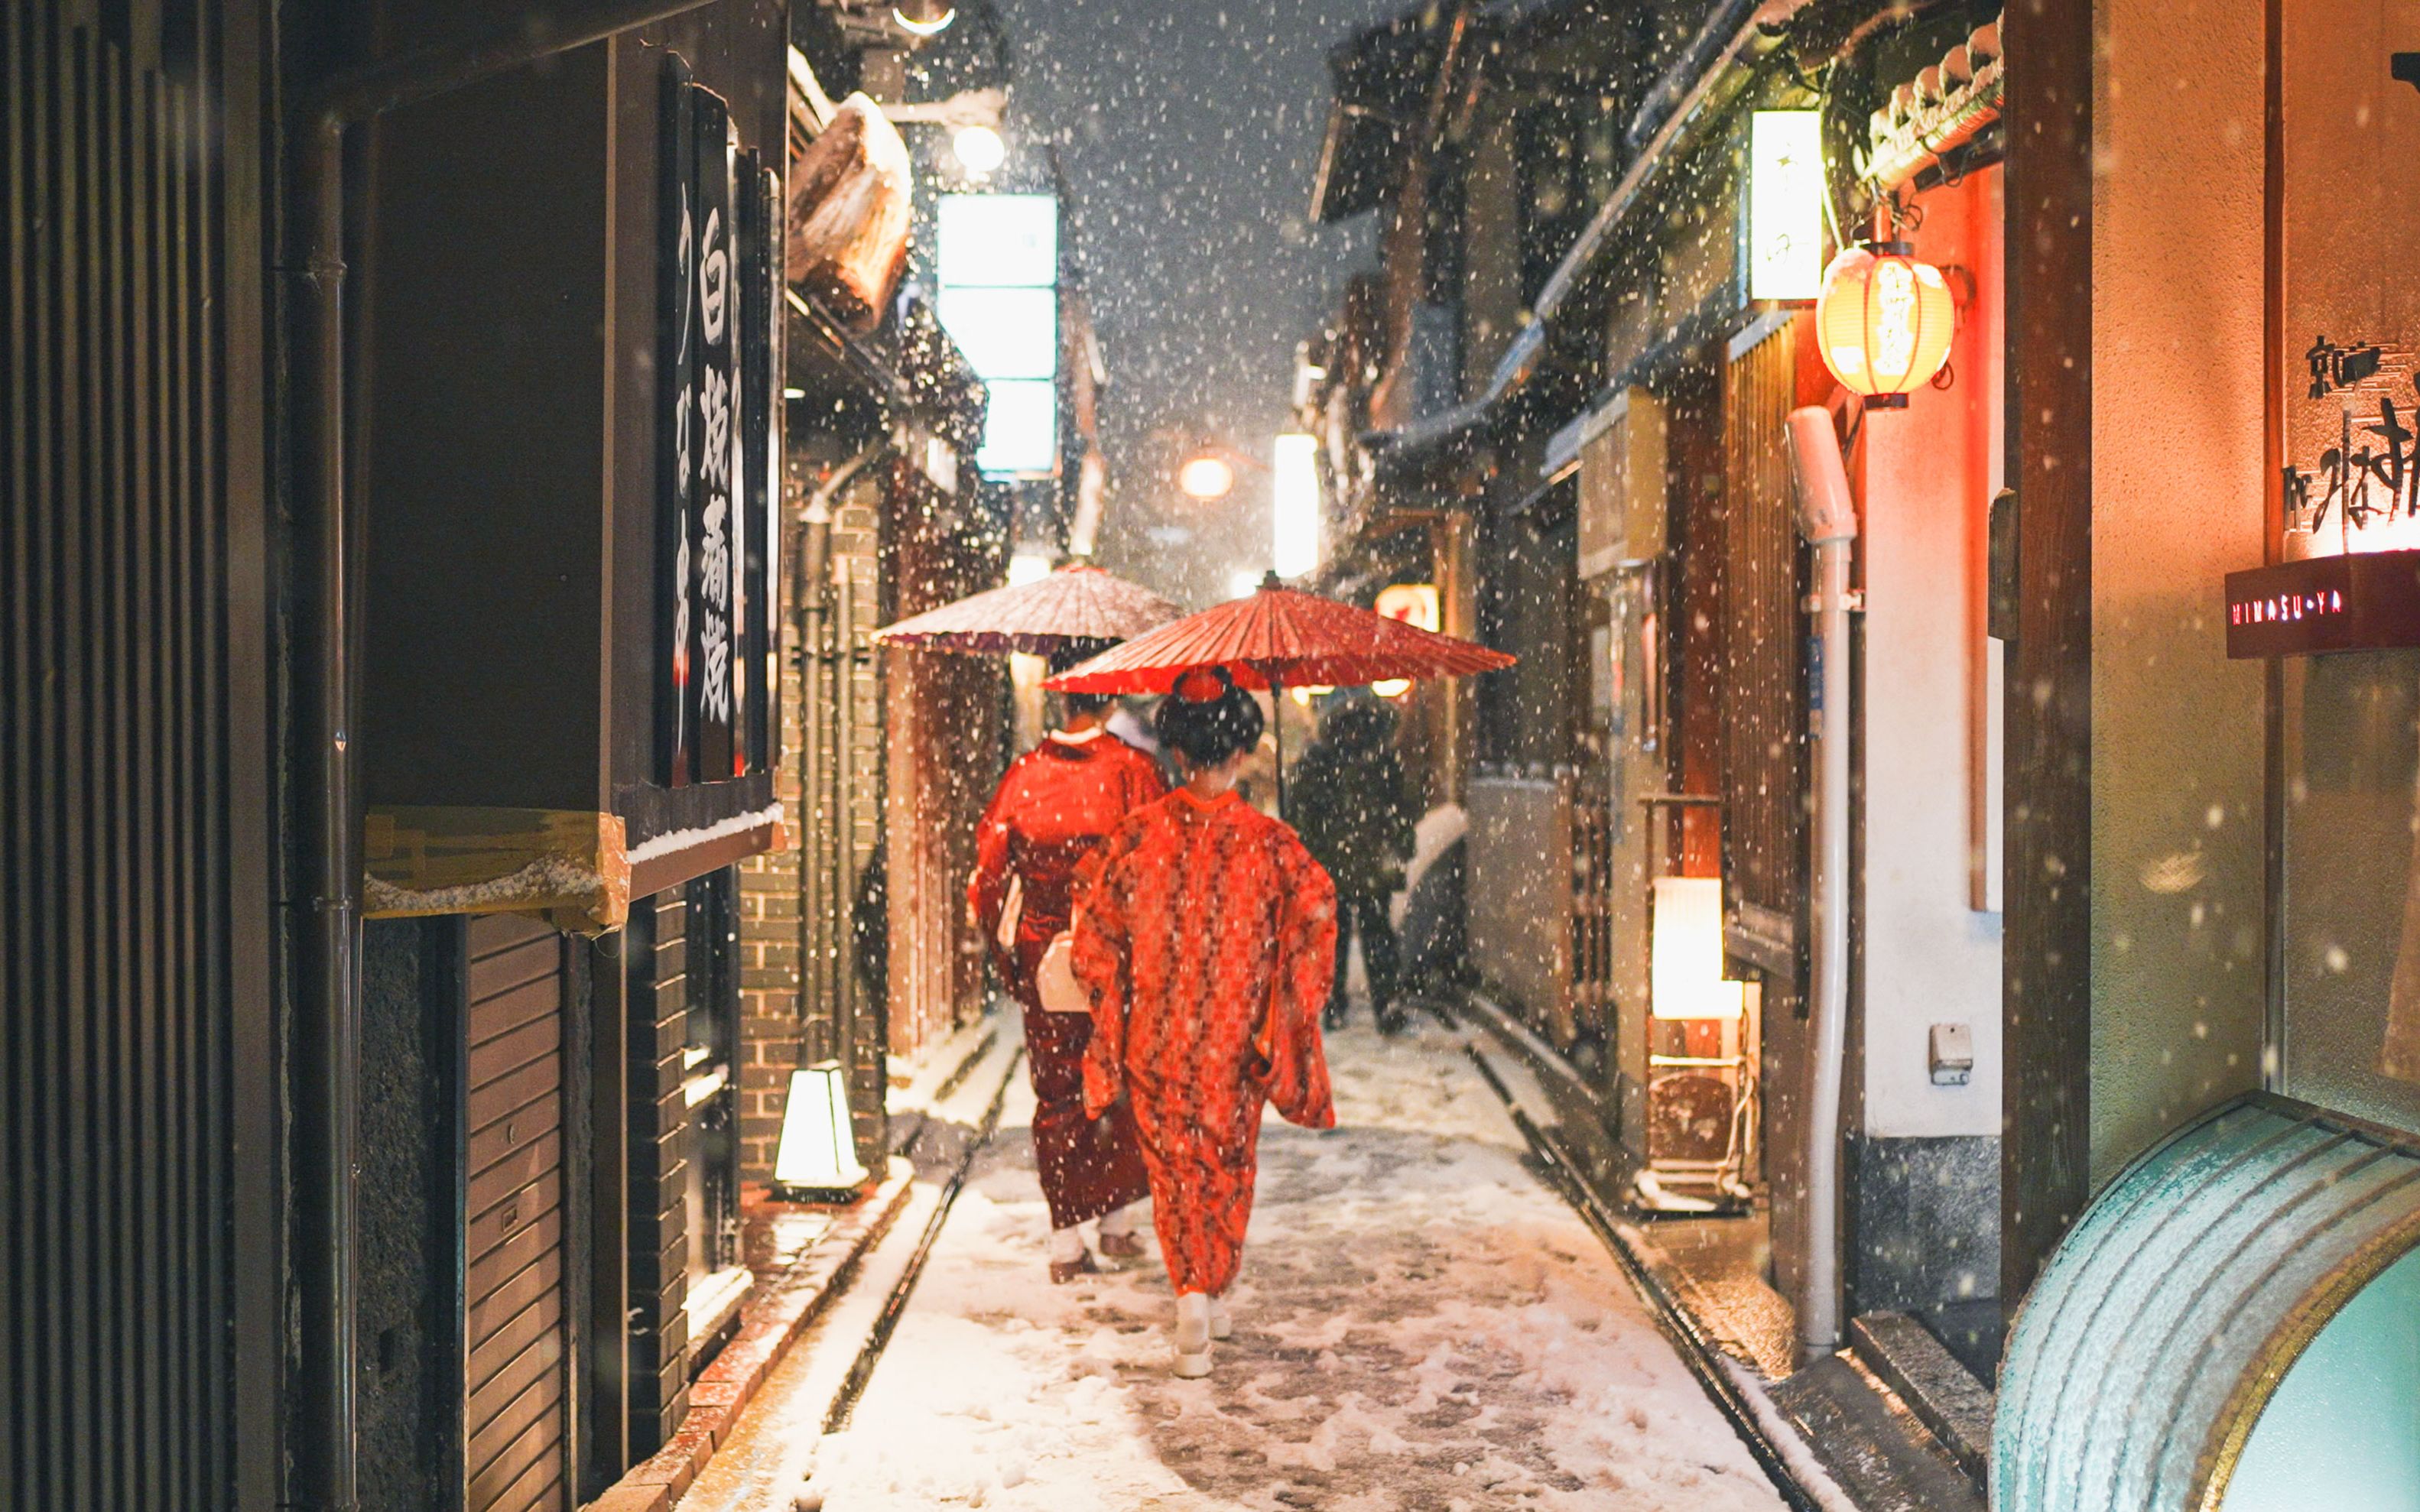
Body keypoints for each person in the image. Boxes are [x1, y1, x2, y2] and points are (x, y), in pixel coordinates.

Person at [1072, 665, 1338, 1377]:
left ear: (1176, 750)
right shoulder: (1273, 846)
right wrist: (1286, 1003)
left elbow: (1094, 931)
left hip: (1156, 1035)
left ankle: (1193, 1290)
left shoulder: (1134, 838)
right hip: (1236, 1033)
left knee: (1174, 1170)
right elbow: (1317, 915)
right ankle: (1210, 1284)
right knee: (1226, 1164)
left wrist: (1119, 999)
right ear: (1244, 749)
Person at [969, 646, 1164, 1283]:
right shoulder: (1133, 771)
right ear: (1108, 698)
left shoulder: (1024, 775)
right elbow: (1158, 866)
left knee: (1056, 1090)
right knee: (1120, 1081)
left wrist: (1010, 953)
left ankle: (1064, 1239)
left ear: (1059, 695)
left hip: (1044, 951)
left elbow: (988, 878)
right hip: (1119, 953)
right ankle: (1116, 1221)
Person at [1291, 696, 1419, 1033]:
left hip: (1364, 864)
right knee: (1345, 934)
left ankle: (1376, 1000)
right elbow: (1303, 812)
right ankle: (1342, 1000)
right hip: (1343, 864)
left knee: (1366, 934)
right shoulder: (1323, 763)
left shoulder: (1379, 763)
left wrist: (1401, 844)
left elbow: (1401, 809)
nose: (1354, 732)